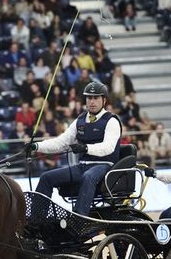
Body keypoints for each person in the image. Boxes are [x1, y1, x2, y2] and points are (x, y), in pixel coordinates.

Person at [26, 82, 122, 216]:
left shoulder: (111, 121)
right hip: (82, 166)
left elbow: (108, 147)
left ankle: (80, 217)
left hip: (104, 166)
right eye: (89, 98)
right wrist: (37, 146)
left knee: (88, 177)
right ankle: (37, 219)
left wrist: (86, 148)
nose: (92, 101)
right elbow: (61, 142)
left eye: (96, 98)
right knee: (46, 177)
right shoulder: (80, 120)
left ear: (104, 100)